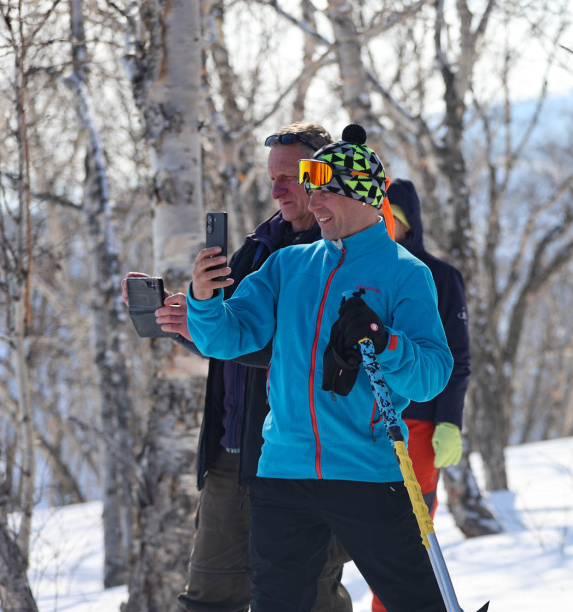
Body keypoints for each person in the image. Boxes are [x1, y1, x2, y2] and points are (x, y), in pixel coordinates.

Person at [186, 124, 453, 612]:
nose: (313, 202)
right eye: (313, 190)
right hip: (283, 472)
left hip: (367, 471)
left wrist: (383, 342)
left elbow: (432, 374)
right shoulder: (288, 266)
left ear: (365, 197)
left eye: (326, 190)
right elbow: (228, 337)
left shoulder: (404, 273)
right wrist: (203, 300)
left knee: (415, 601)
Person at [121, 122, 352, 612]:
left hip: (305, 460)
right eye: (273, 177)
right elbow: (229, 345)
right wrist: (187, 323)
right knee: (209, 599)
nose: (277, 190)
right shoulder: (258, 246)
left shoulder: (341, 253)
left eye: (290, 176)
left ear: (324, 172)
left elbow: (304, 352)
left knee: (311, 598)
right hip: (231, 454)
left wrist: (213, 326)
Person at [368, 179, 470, 612]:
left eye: (394, 218)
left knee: (410, 537)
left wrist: (449, 420)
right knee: (364, 537)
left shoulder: (439, 276)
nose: (387, 225)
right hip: (360, 425)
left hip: (419, 426)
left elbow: (457, 357)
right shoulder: (352, 273)